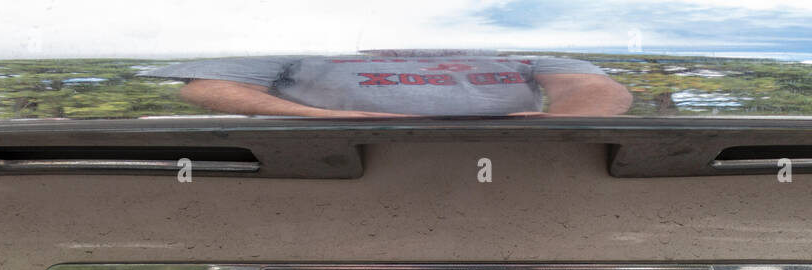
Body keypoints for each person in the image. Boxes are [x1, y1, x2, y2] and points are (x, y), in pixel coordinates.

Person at [147, 50, 632, 117]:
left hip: (510, 157)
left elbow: (600, 89)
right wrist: (331, 120)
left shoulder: (508, 30)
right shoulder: (294, 26)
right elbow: (207, 87)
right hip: (334, 160)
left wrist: (551, 126)